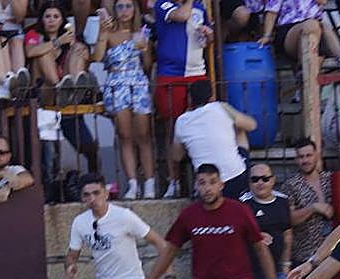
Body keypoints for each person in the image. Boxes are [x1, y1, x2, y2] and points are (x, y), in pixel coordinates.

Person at [137, 163, 283, 279]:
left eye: (213, 182)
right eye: (202, 183)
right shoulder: (189, 215)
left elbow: (260, 248)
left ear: (221, 185)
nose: (208, 188)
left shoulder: (239, 210)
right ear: (196, 186)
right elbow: (169, 250)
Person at [65, 173, 168, 279]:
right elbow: (72, 254)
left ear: (106, 194)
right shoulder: (80, 222)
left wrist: (166, 277)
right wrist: (70, 265)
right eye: (87, 195)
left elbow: (159, 242)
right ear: (82, 198)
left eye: (96, 193)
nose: (92, 199)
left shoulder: (124, 216)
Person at [93, 0, 154, 199]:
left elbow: (146, 65)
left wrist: (145, 49)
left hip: (137, 81)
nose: (124, 10)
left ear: (135, 10)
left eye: (128, 6)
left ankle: (150, 183)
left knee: (143, 135)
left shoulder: (141, 32)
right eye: (120, 6)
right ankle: (132, 183)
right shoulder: (109, 34)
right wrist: (102, 34)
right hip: (117, 82)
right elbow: (97, 57)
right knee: (125, 135)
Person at [153, 0, 210, 197]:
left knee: (201, 129)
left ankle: (201, 181)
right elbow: (181, 16)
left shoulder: (201, 7)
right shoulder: (162, 4)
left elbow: (205, 37)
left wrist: (207, 35)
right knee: (172, 130)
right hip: (171, 74)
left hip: (197, 72)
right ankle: (174, 181)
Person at [172, 78, 255, 200]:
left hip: (206, 182)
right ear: (212, 97)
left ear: (190, 99)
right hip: (235, 175)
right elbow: (252, 125)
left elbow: (176, 156)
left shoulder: (181, 121)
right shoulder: (221, 107)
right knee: (239, 127)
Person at [281, 136, 335, 279]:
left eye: (308, 155)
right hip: (303, 256)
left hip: (331, 255)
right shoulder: (290, 185)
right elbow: (288, 219)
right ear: (296, 159)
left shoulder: (330, 179)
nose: (305, 160)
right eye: (301, 156)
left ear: (316, 155)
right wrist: (313, 208)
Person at [240, 162, 293, 279]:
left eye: (265, 178)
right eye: (255, 179)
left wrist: (286, 265)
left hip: (279, 273)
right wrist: (256, 236)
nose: (260, 182)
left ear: (273, 180)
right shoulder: (242, 205)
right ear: (249, 183)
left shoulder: (282, 202)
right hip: (252, 277)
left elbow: (287, 234)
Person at [23, 0, 90, 104]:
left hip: (65, 92)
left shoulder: (68, 37)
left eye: (56, 17)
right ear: (42, 19)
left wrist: (84, 53)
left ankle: (75, 89)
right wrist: (58, 42)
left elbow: (86, 59)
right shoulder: (33, 33)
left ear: (62, 20)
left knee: (78, 48)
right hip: (43, 90)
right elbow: (30, 52)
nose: (51, 20)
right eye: (47, 16)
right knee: (43, 53)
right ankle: (60, 88)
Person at [258, 0, 340, 68]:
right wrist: (267, 35)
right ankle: (305, 73)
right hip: (290, 28)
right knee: (312, 25)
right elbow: (272, 12)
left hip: (316, 27)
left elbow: (323, 1)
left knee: (322, 27)